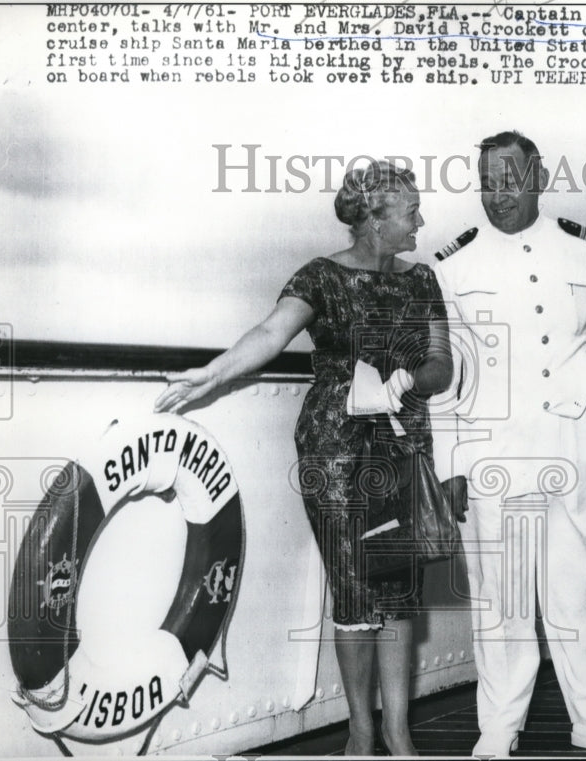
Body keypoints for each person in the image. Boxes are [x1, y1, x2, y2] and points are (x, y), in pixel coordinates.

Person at [154, 161, 452, 757]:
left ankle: (398, 732)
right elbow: (269, 336)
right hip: (334, 446)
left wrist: (409, 379)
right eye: (410, 210)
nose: (421, 219)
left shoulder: (422, 279)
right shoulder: (320, 277)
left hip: (400, 441)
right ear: (373, 220)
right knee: (354, 587)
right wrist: (209, 376)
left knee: (397, 590)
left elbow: (442, 365)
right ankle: (361, 733)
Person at [434, 131, 586, 758]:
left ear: (537, 176)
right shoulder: (455, 265)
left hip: (573, 444)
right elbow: (446, 372)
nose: (497, 193)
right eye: (486, 181)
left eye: (509, 178)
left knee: (584, 583)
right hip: (492, 453)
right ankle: (499, 728)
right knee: (501, 595)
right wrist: (450, 463)